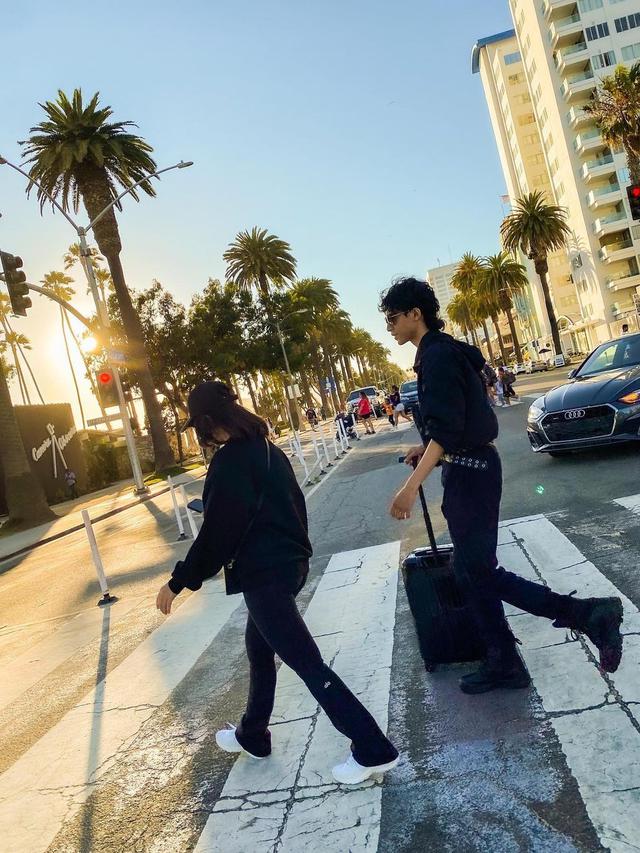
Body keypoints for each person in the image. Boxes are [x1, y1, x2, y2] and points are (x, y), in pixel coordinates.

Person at [380, 277, 624, 694]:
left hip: (471, 475)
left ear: (415, 314)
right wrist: (426, 449)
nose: (389, 326)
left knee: (477, 571)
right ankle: (504, 661)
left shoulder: (438, 357)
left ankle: (587, 614)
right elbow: (457, 422)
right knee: (472, 571)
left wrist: (409, 488)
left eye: (392, 317)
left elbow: (448, 429)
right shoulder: (440, 353)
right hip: (469, 469)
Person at [156, 381, 398, 783]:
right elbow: (293, 506)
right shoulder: (267, 449)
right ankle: (253, 734)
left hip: (264, 575)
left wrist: (179, 581)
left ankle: (373, 747)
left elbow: (216, 536)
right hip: (289, 566)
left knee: (308, 664)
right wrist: (296, 554)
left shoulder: (230, 462)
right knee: (259, 649)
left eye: (198, 428)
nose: (200, 438)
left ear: (209, 422)